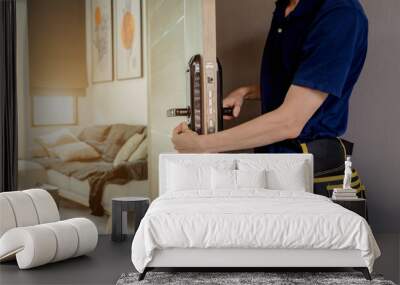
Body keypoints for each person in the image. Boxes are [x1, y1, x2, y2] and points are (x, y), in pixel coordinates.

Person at [172, 0, 368, 157]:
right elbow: (300, 81)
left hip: (308, 167)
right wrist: (247, 92)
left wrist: (202, 145)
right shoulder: (286, 7)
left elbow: (290, 121)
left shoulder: (340, 14)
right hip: (272, 158)